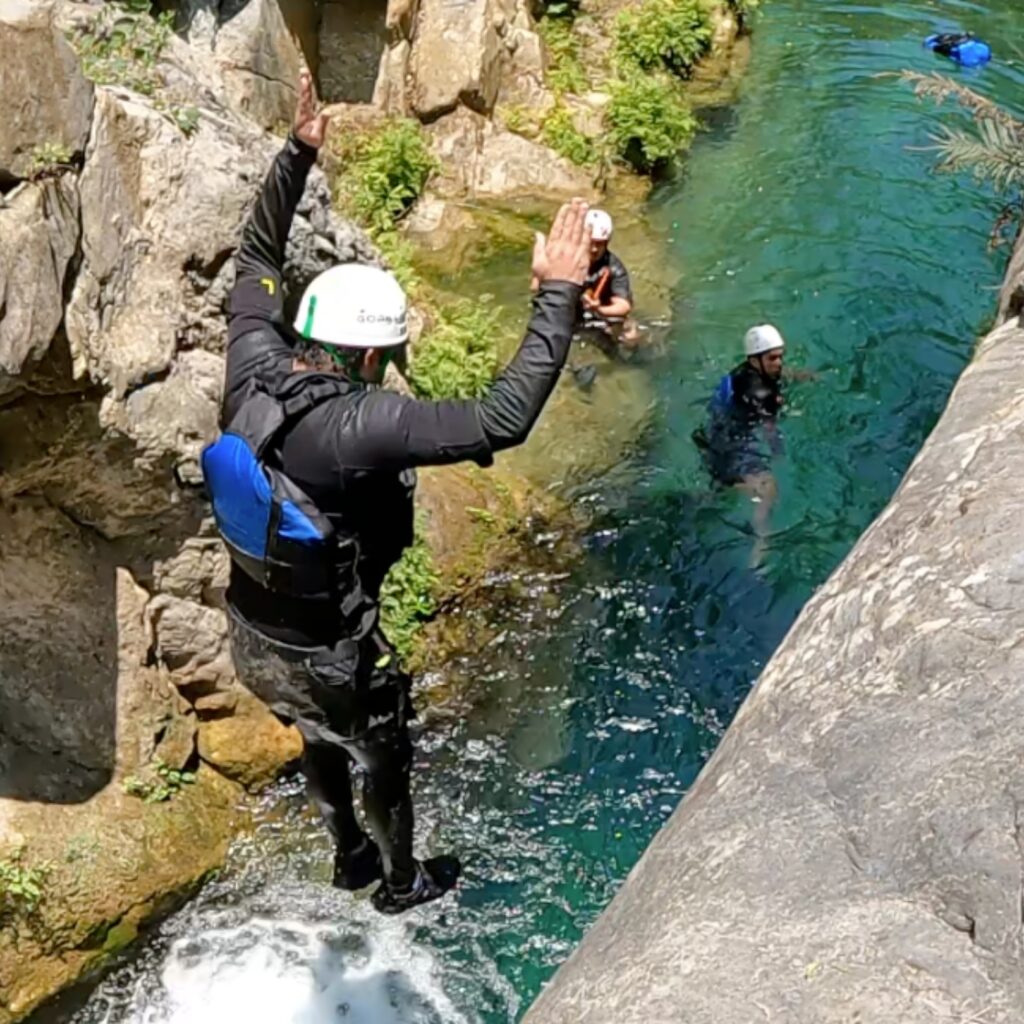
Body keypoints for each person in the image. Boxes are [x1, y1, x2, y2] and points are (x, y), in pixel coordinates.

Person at [203, 71, 593, 915]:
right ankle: (400, 882)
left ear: (304, 330)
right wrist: (559, 294)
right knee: (378, 753)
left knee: (314, 734)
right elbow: (502, 419)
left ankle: (345, 855)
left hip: (251, 636)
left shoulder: (249, 366)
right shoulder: (364, 424)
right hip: (334, 655)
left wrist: (297, 153)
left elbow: (255, 257)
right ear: (375, 358)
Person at [693, 324, 790, 556]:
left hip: (709, 437)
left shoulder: (740, 373)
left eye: (781, 357)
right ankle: (761, 541)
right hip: (733, 447)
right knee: (768, 489)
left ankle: (708, 498)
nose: (779, 363)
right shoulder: (761, 395)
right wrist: (781, 455)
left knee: (721, 485)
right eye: (773, 358)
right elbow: (771, 432)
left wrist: (804, 376)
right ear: (756, 360)